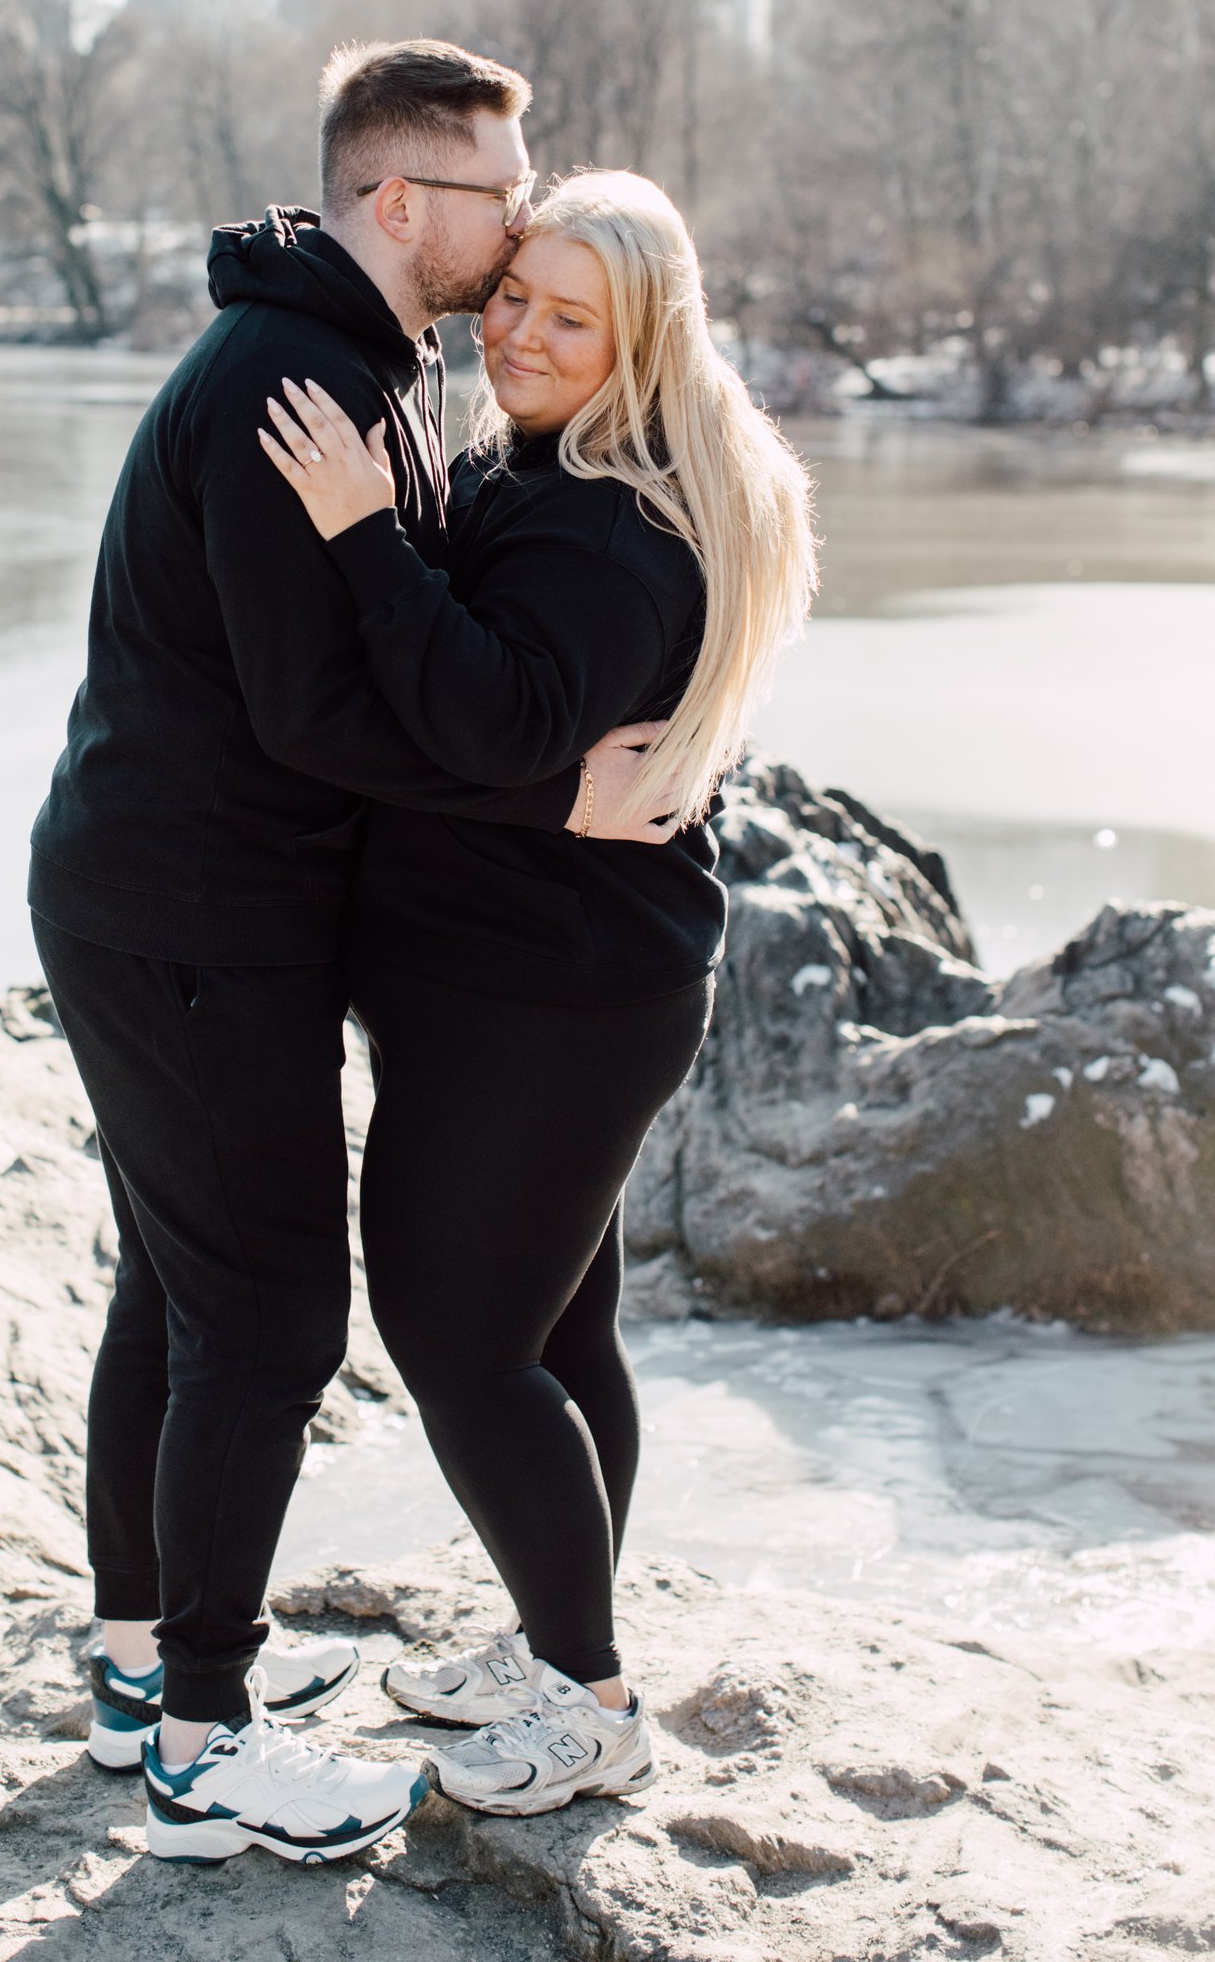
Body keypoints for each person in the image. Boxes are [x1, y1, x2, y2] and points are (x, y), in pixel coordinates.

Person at [27, 43, 670, 1868]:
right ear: (399, 202)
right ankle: (202, 1747)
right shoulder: (291, 379)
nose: (521, 221)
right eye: (501, 192)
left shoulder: (373, 359)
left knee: (182, 1290)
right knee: (266, 1315)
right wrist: (562, 793)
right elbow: (313, 714)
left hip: (200, 899)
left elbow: (435, 638)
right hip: (193, 912)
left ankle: (143, 1670)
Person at [258, 166, 816, 1818]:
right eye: (515, 294)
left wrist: (361, 530)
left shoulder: (609, 528)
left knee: (458, 1337)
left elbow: (485, 722)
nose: (519, 333)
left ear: (642, 344)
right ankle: (555, 1644)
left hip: (551, 1001)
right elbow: (536, 731)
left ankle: (590, 1702)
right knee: (561, 1333)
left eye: (573, 319)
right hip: (537, 980)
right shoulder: (552, 472)